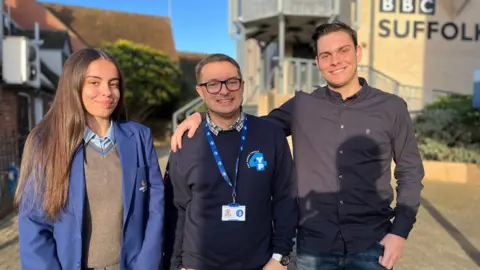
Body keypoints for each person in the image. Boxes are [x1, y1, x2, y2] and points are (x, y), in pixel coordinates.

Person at [169, 21, 425, 270]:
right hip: (314, 248)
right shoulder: (302, 106)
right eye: (325, 55)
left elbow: (410, 171)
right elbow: (248, 127)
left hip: (372, 245)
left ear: (358, 53)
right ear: (317, 62)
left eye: (343, 51)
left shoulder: (391, 107)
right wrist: (203, 116)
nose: (335, 61)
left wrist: (399, 232)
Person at [15, 48, 165, 270]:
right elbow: (34, 225)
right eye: (94, 82)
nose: (107, 92)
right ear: (74, 85)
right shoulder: (45, 142)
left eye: (113, 84)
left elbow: (156, 207)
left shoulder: (139, 137)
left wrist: (146, 264)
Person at [163, 53, 298, 270]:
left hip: (260, 264)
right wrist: (176, 264)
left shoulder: (270, 134)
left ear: (242, 85)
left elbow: (286, 198)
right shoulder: (184, 142)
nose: (224, 90)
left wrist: (280, 256)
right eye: (213, 84)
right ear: (200, 91)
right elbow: (175, 210)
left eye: (231, 82)